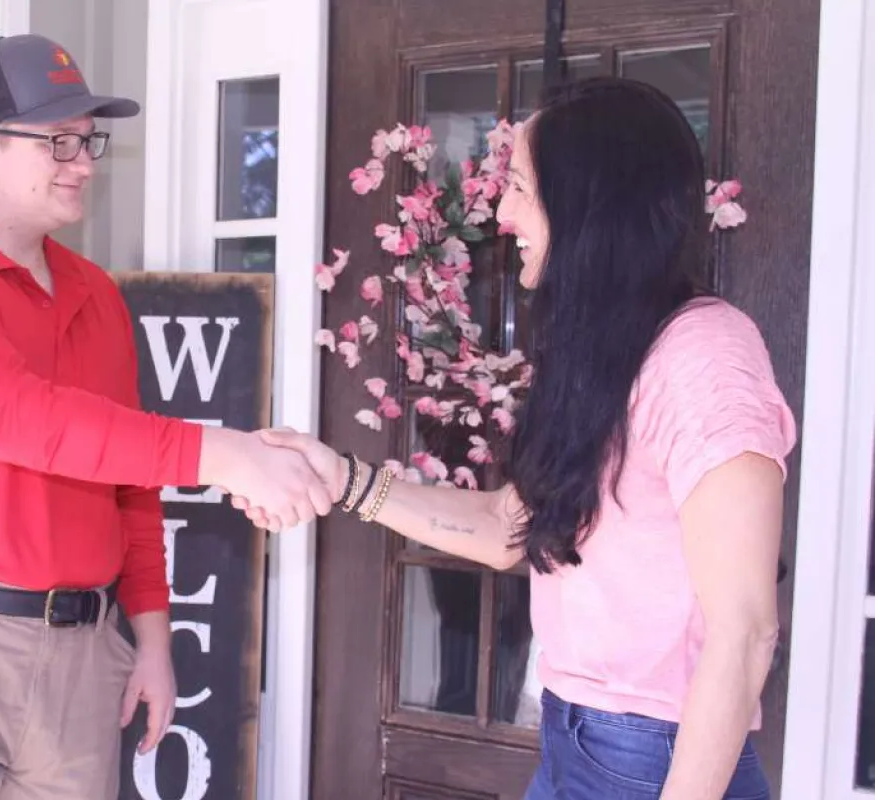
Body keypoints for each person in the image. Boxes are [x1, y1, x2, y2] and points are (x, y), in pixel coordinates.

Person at [241, 77, 796, 800]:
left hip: (658, 758)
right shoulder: (608, 352)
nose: (502, 214)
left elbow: (747, 633)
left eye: (521, 188)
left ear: (591, 205)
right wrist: (344, 480)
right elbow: (515, 528)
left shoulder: (705, 359)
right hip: (576, 742)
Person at [0, 34, 329, 800]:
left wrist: (151, 640)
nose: (84, 162)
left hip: (83, 654)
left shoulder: (96, 294)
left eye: (88, 140)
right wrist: (224, 454)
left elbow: (129, 484)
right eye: (58, 142)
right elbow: (17, 419)